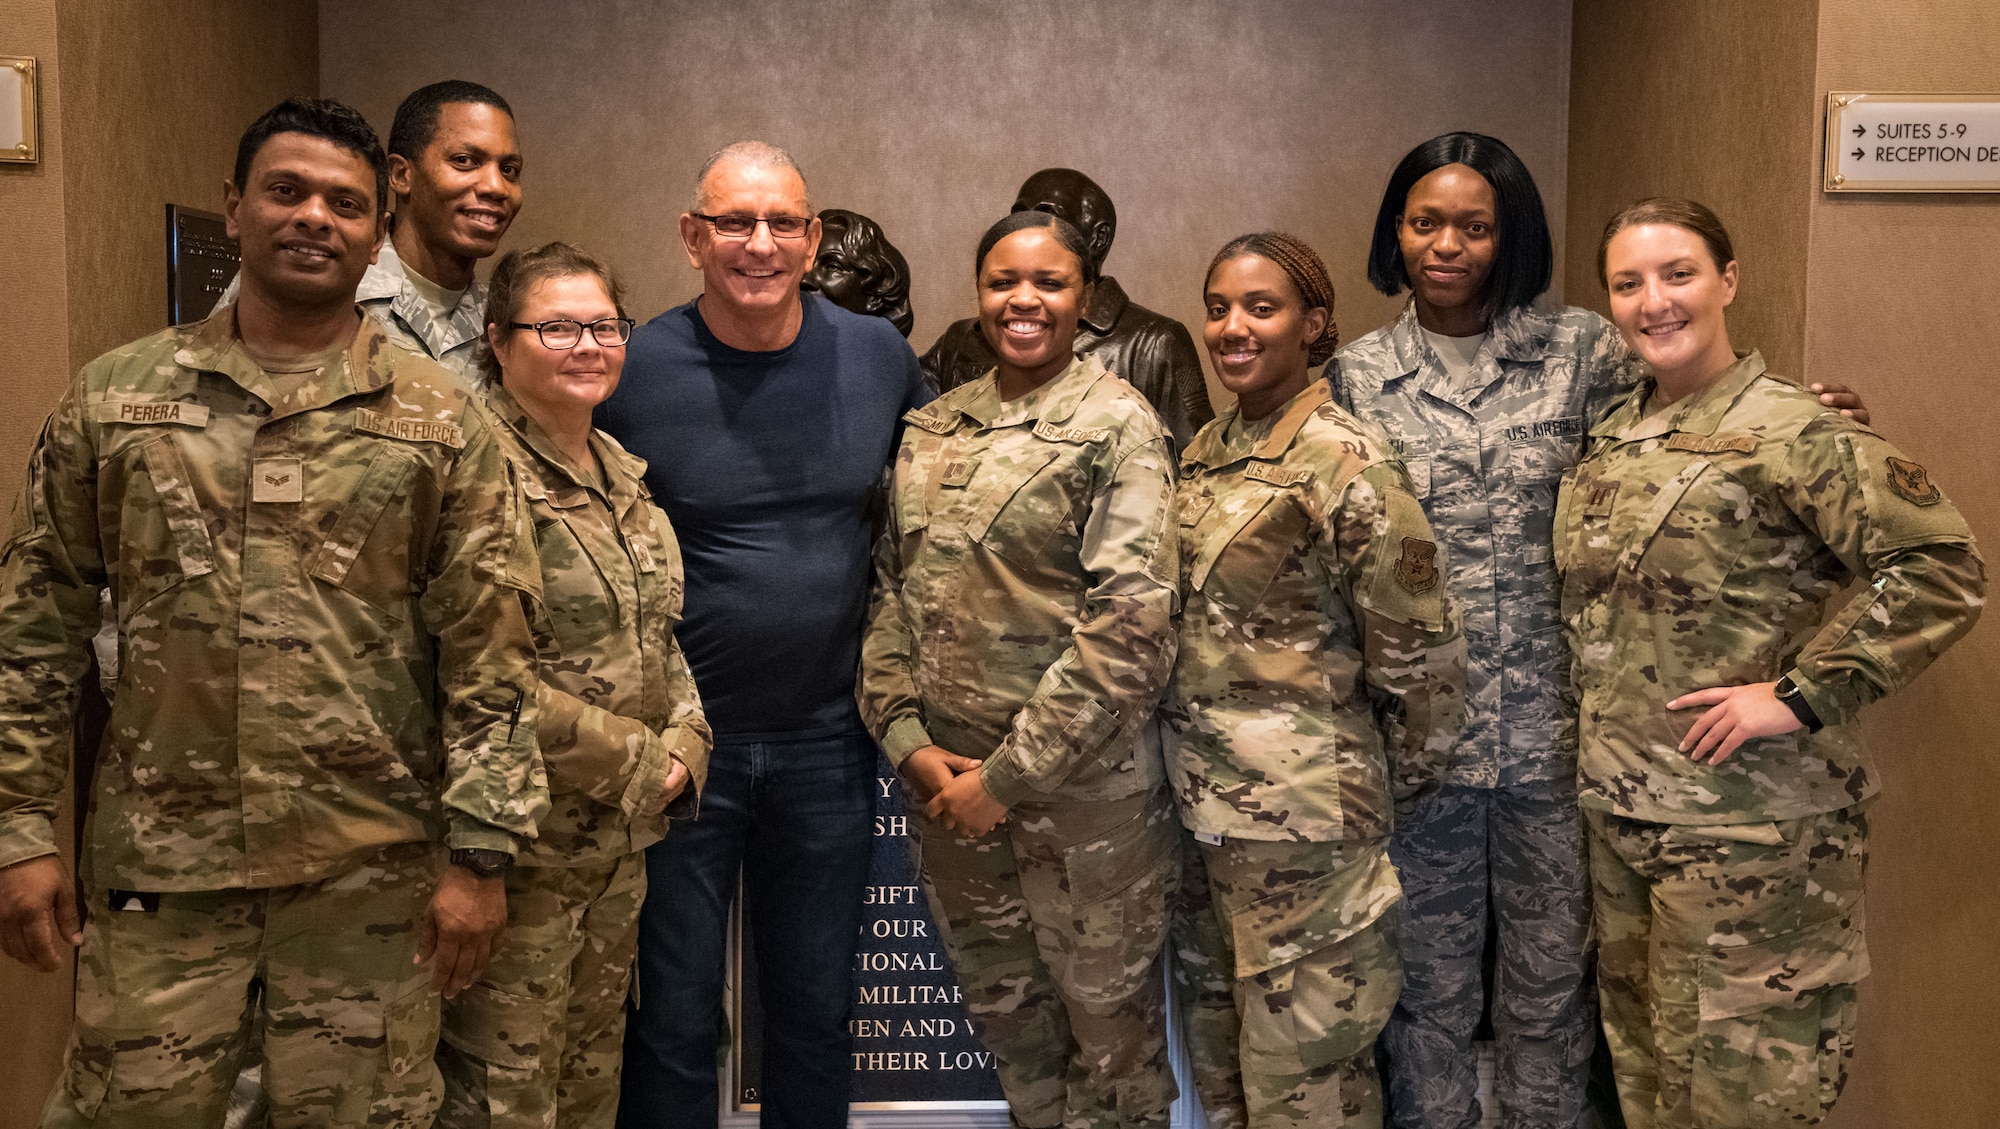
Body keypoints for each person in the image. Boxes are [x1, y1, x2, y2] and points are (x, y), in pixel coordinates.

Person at [0, 97, 546, 1127]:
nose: (314, 218)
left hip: (369, 886)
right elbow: (32, 633)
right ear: (235, 207)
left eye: (344, 203)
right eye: (286, 191)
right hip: (163, 880)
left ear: (375, 228)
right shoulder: (116, 401)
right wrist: (21, 829)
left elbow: (493, 658)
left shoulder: (440, 420)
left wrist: (481, 857)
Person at [1330, 133, 1871, 1129]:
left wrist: (1814, 418)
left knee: (1550, 995)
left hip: (1564, 744)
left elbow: (1691, 421)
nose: (1445, 244)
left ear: (1510, 238)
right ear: (1392, 234)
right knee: (1423, 999)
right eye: (1423, 222)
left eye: (1474, 225)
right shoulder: (1355, 377)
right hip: (1418, 747)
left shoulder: (1582, 350)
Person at [1560, 198, 1983, 1129]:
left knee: (1737, 1100)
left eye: (1678, 274)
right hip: (1629, 818)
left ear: (1728, 281)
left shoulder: (1793, 429)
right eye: (1628, 284)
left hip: (1759, 830)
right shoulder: (1613, 438)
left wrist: (1796, 694)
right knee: (1652, 1090)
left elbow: (1941, 569)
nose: (1654, 301)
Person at [600, 142, 930, 1129]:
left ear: (812, 236)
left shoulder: (875, 357)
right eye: (735, 223)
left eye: (783, 222)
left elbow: (934, 513)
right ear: (692, 237)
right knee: (672, 1016)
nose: (760, 244)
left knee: (814, 1014)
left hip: (827, 744)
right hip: (678, 752)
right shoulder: (632, 365)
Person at [859, 209, 1183, 1129]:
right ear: (979, 293)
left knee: (1112, 1059)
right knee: (1017, 1044)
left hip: (1086, 815)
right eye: (1004, 282)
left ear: (1085, 300)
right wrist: (909, 743)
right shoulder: (932, 426)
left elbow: (1129, 631)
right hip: (951, 805)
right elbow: (889, 597)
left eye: (1049, 283)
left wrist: (1005, 778)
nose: (1024, 300)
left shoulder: (1118, 426)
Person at [1166, 232, 1466, 1128]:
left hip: (1307, 836)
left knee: (1311, 1093)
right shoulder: (1208, 450)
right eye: (1219, 307)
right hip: (1204, 821)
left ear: (1315, 325)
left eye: (1262, 307)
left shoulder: (1346, 458)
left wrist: (1366, 791)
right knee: (1226, 1084)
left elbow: (1424, 662)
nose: (1232, 327)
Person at [436, 242, 712, 1129]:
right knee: (503, 1103)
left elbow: (659, 639)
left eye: (604, 325)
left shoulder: (620, 474)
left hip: (611, 857)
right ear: (498, 340)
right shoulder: (471, 472)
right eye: (557, 326)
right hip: (513, 858)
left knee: (588, 1092)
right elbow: (480, 673)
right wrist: (644, 759)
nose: (587, 343)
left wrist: (692, 739)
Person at [217, 79, 523, 383]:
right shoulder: (319, 280)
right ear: (402, 174)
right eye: (465, 161)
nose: (496, 187)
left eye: (509, 170)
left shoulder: (506, 320)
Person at [920, 168, 1213, 447]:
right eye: (1020, 214)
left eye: (1046, 215)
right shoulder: (960, 339)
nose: (1029, 226)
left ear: (1098, 238)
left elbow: (1191, 465)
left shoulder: (1154, 341)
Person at [805, 207, 914, 336]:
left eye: (833, 267)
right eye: (803, 263)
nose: (805, 279)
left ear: (875, 296)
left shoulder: (891, 353)